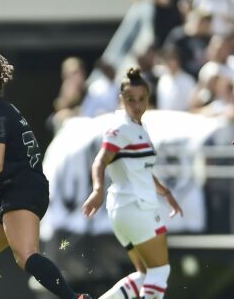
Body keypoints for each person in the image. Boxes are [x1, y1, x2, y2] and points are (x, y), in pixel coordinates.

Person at [0, 46, 90, 299]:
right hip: (18, 189)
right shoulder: (2, 111)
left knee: (26, 257)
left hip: (21, 191)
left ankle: (75, 297)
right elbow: (13, 159)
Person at [82, 68, 184, 299]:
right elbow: (100, 161)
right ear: (121, 99)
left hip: (123, 208)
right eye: (130, 99)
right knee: (160, 270)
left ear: (148, 98)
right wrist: (97, 189)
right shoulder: (121, 128)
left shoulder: (139, 127)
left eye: (141, 99)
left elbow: (142, 169)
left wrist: (165, 192)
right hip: (137, 206)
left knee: (145, 274)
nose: (137, 105)